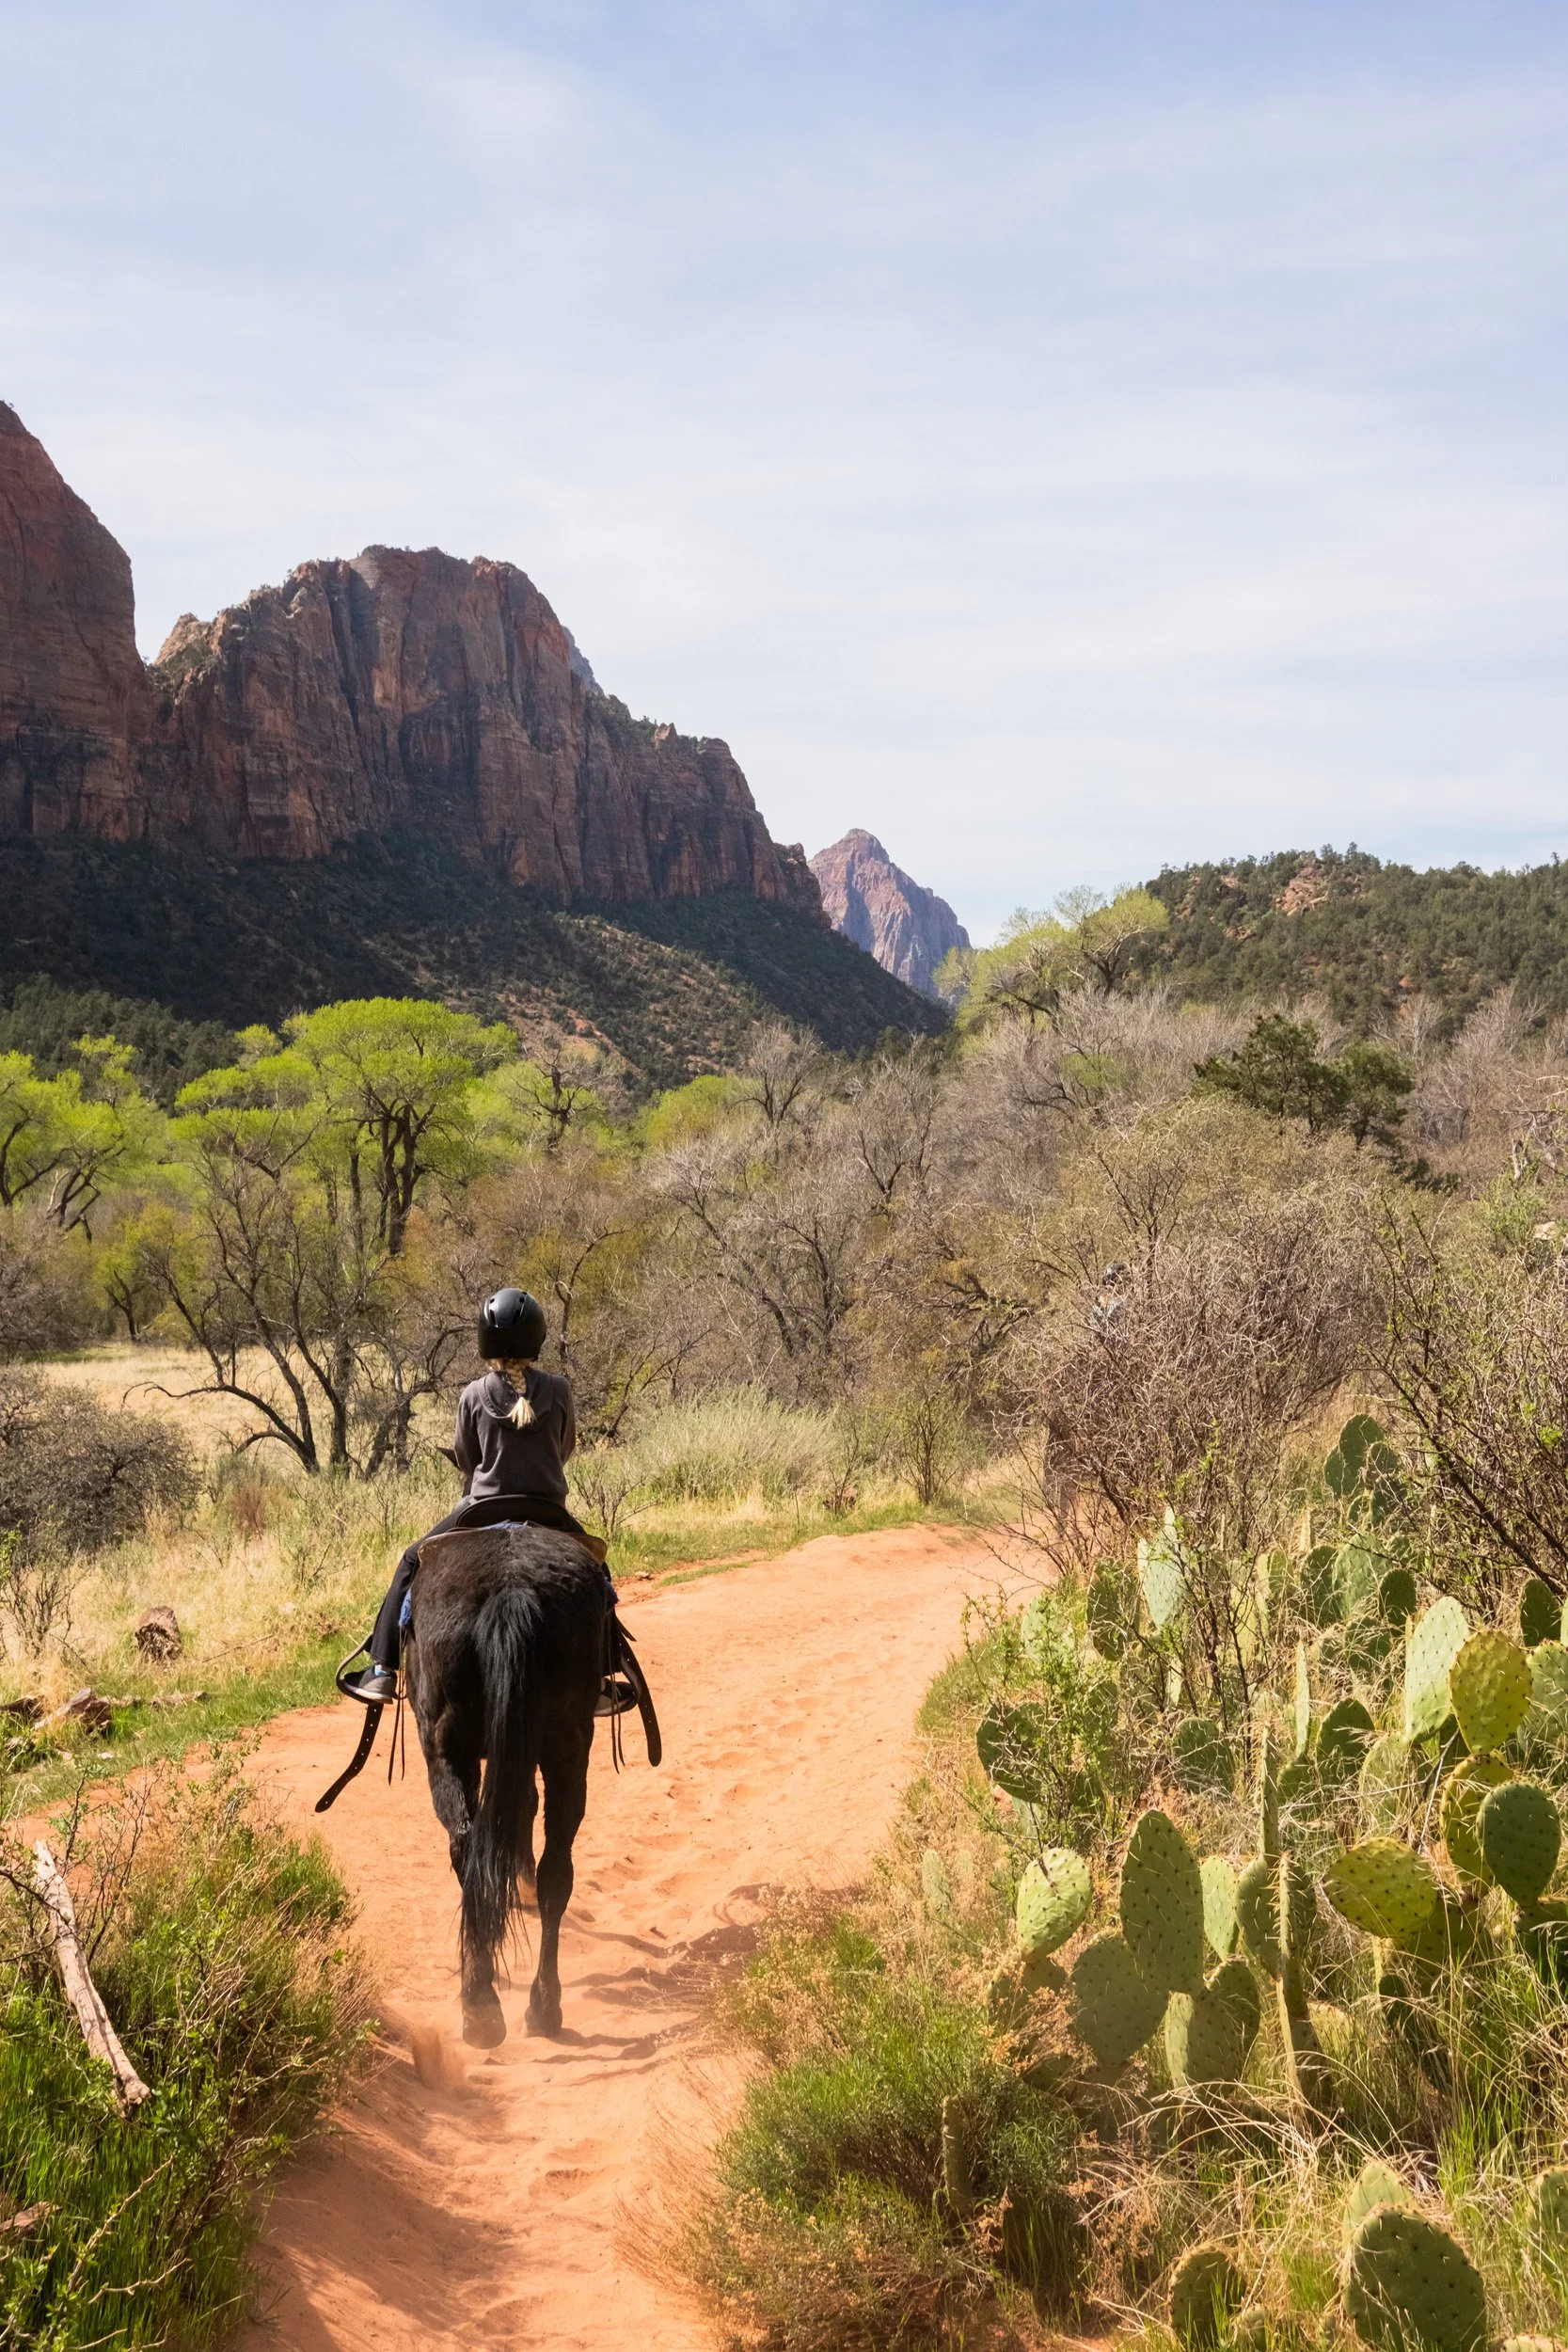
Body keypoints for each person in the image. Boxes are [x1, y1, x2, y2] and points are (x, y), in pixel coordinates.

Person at [344, 1286, 600, 1701]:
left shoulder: (473, 1395)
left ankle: (382, 1668)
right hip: (549, 1511)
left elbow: (468, 1460)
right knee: (596, 1572)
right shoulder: (560, 1390)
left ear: (486, 1341)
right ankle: (603, 1676)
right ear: (537, 1339)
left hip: (480, 1509)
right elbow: (565, 1448)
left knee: (412, 1559)